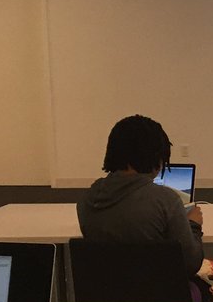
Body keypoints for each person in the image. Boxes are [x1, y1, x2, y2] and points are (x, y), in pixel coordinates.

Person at [77, 114, 204, 276]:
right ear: (153, 156)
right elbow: (191, 263)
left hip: (103, 296)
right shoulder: (166, 200)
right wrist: (194, 225)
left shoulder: (86, 200)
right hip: (161, 296)